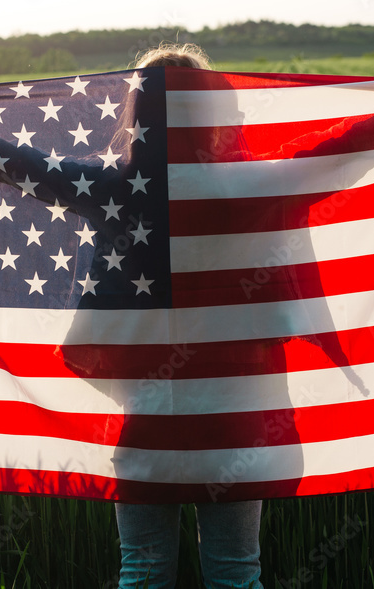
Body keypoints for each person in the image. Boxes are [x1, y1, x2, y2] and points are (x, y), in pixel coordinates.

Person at [114, 42, 264, 589]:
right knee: (235, 573)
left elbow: (24, 167)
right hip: (234, 414)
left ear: (140, 115)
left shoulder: (118, 192)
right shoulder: (248, 189)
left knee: (144, 571)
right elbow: (336, 155)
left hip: (147, 416)